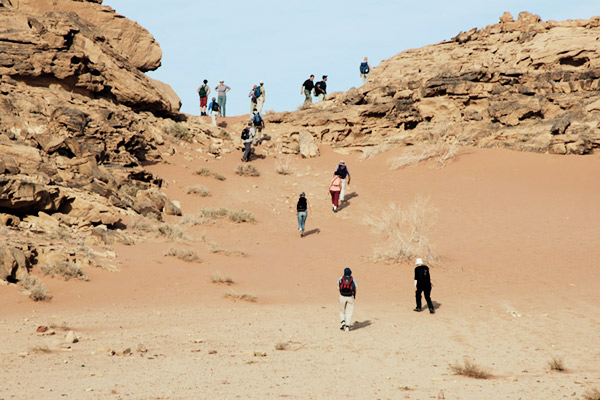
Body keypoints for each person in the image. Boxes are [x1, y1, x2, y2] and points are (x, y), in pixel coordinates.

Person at [338, 267, 356, 332]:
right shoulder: (352, 279)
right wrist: (354, 296)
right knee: (349, 312)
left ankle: (342, 321)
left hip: (342, 296)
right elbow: (355, 288)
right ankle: (347, 327)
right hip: (350, 297)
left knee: (341, 310)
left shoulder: (341, 278)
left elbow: (338, 286)